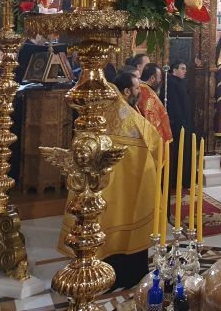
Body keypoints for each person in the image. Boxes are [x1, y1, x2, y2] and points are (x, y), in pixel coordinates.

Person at [57, 72, 161, 289]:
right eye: (135, 89)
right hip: (121, 187)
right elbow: (155, 142)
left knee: (99, 222)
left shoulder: (100, 111)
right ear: (125, 91)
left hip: (100, 185)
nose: (138, 93)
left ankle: (92, 265)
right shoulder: (127, 117)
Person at [162, 61, 195, 187]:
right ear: (174, 70)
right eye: (182, 68)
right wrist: (181, 123)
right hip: (178, 125)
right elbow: (175, 106)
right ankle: (177, 180)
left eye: (185, 68)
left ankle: (184, 179)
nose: (185, 71)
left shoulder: (180, 83)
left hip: (184, 123)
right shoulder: (171, 83)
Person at [136, 63, 172, 143]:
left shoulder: (140, 89)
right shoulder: (148, 95)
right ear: (152, 78)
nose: (160, 81)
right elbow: (151, 118)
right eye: (159, 78)